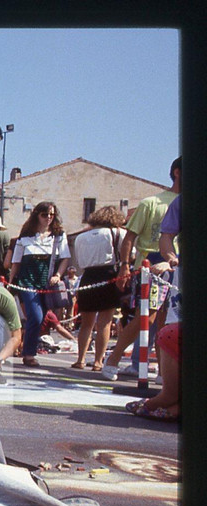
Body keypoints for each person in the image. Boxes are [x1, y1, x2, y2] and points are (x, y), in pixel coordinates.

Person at [101, 157, 181, 380]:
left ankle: (164, 372)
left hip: (179, 267)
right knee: (146, 317)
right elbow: (130, 237)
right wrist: (124, 267)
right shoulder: (151, 203)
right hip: (151, 266)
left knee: (170, 320)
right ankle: (113, 360)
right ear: (177, 172)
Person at [126, 193, 181, 421]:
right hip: (167, 272)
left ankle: (167, 397)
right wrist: (172, 259)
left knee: (165, 330)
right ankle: (170, 396)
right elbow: (165, 237)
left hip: (165, 272)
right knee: (165, 329)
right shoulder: (178, 202)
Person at [8, 201, 70, 368]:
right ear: (37, 215)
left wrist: (58, 275)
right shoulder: (25, 236)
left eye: (51, 215)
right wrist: (10, 282)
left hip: (47, 283)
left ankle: (27, 349)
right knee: (35, 316)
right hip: (27, 281)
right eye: (44, 214)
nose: (48, 218)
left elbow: (65, 258)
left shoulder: (58, 236)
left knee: (41, 318)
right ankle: (29, 354)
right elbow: (16, 262)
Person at [71, 206, 127, 371]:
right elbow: (128, 254)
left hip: (87, 276)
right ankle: (98, 361)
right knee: (105, 322)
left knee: (86, 323)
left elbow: (80, 261)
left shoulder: (81, 237)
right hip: (108, 275)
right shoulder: (118, 233)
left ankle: (80, 359)